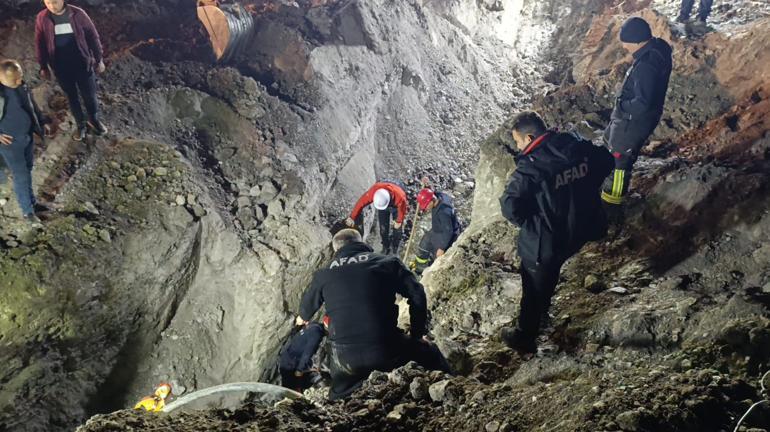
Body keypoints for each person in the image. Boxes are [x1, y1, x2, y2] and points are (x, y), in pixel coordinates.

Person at [499, 111, 614, 354]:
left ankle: (526, 336)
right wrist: (584, 191)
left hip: (548, 240)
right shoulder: (575, 145)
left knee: (533, 285)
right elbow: (606, 162)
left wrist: (534, 219)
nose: (518, 147)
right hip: (582, 228)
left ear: (529, 137)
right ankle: (544, 310)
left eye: (518, 142)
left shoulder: (529, 170)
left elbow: (511, 207)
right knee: (550, 271)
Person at [297, 229, 449, 400]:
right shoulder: (387, 262)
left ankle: (339, 401)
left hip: (345, 362)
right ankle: (452, 391)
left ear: (336, 250)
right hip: (386, 349)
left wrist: (302, 319)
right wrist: (417, 334)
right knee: (431, 353)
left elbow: (303, 316)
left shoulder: (322, 275)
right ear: (360, 242)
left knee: (338, 398)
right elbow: (417, 292)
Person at [601, 17, 672, 211]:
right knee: (607, 145)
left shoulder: (646, 66)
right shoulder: (659, 48)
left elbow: (642, 103)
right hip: (626, 120)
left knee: (619, 162)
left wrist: (622, 106)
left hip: (632, 122)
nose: (624, 46)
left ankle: (612, 207)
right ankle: (602, 187)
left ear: (638, 41)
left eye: (626, 42)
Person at [35, 0, 107, 141]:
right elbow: (40, 43)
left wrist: (99, 59)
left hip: (82, 64)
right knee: (72, 97)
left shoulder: (77, 14)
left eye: (54, 2)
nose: (51, 6)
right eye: (47, 3)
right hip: (61, 67)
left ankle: (94, 119)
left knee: (90, 96)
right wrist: (43, 66)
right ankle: (80, 125)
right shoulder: (42, 18)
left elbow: (93, 36)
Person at [0, 60, 50, 225]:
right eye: (14, 80)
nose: (18, 81)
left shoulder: (21, 85)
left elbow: (31, 105)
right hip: (10, 143)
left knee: (27, 170)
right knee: (21, 175)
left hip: (26, 137)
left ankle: (33, 203)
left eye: (20, 77)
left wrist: (41, 122)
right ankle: (28, 212)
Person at [346, 181, 409, 255]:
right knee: (383, 229)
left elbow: (402, 210)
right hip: (383, 207)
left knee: (398, 229)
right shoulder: (374, 192)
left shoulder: (400, 196)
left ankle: (395, 247)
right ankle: (386, 246)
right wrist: (352, 217)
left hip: (396, 207)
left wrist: (399, 221)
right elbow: (361, 203)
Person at [411, 188, 461, 274]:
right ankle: (419, 266)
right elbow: (433, 193)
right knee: (424, 243)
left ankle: (428, 271)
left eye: (426, 205)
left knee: (436, 253)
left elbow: (448, 231)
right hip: (438, 228)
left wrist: (441, 248)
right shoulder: (439, 197)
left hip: (446, 234)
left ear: (432, 200)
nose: (425, 209)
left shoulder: (443, 212)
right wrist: (427, 188)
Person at [279, 318, 327, 392]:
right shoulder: (316, 334)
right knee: (292, 391)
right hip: (290, 364)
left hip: (289, 358)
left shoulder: (315, 326)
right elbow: (307, 353)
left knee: (296, 386)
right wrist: (300, 369)